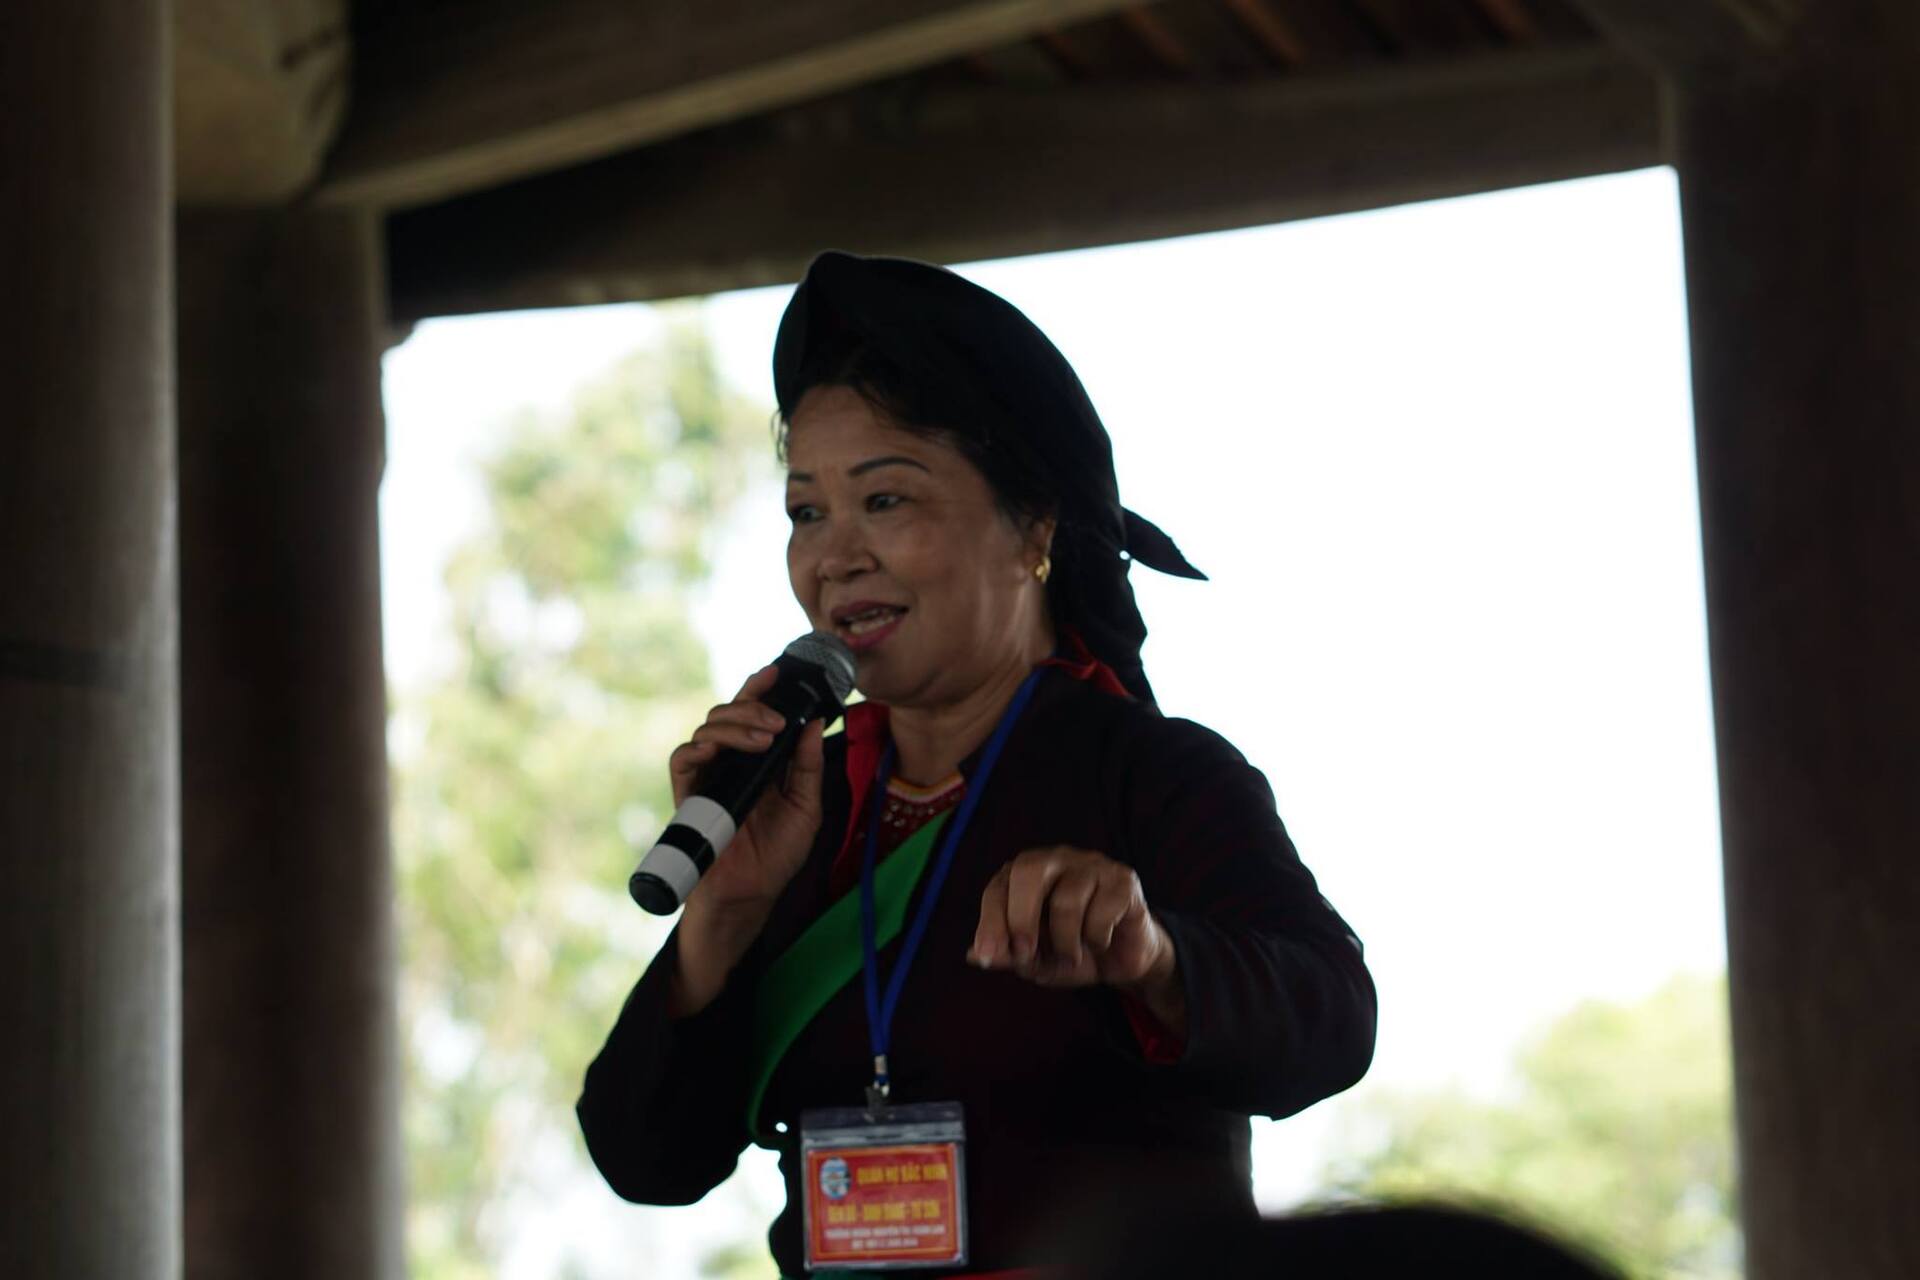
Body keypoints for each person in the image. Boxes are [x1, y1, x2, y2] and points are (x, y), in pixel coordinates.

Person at [577, 251, 1377, 1277]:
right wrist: (723, 913)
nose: (834, 556)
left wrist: (1153, 958)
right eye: (807, 512)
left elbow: (1332, 1022)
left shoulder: (1149, 774)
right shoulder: (797, 806)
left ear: (1032, 526)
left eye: (886, 500)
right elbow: (645, 1158)